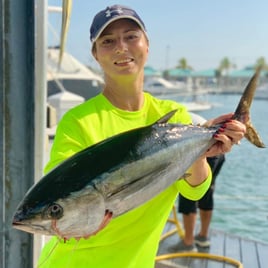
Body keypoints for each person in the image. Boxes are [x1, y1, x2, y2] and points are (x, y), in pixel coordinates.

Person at [38, 5, 246, 268]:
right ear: (95, 54)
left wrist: (200, 151)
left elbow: (194, 192)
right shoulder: (77, 121)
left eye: (131, 36)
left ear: (147, 45)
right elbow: (59, 194)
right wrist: (68, 224)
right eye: (108, 41)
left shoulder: (174, 116)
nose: (121, 47)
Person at [175, 113, 226, 252]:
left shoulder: (176, 114)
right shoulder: (182, 112)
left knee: (188, 195)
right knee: (207, 193)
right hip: (216, 151)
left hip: (201, 149)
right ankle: (203, 237)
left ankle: (188, 242)